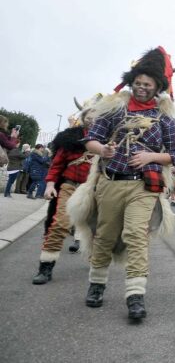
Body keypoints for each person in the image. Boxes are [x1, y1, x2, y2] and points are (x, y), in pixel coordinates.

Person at [71, 47, 175, 321]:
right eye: (139, 83)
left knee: (136, 235)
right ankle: (96, 284)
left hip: (143, 187)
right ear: (133, 82)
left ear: (157, 87)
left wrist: (150, 156)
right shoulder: (113, 109)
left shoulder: (164, 116)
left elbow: (174, 153)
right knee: (105, 235)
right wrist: (102, 150)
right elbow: (91, 138)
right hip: (110, 182)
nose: (142, 88)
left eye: (149, 84)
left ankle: (135, 296)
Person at [32, 100, 97, 285]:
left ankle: (96, 263)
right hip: (68, 187)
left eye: (96, 117)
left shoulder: (107, 140)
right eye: (89, 117)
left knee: (96, 229)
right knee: (59, 223)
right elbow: (57, 165)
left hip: (93, 190)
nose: (92, 120)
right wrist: (50, 185)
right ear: (83, 118)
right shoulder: (69, 139)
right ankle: (46, 266)